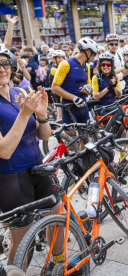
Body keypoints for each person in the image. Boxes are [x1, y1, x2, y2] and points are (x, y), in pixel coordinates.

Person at [0, 47, 63, 265]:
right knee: (22, 242)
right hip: (12, 177)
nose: (2, 69)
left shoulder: (19, 93)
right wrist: (25, 113)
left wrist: (42, 115)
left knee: (57, 220)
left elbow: (44, 134)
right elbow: (4, 151)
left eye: (5, 63)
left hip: (38, 168)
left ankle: (58, 265)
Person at [52, 38, 97, 124]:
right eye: (93, 55)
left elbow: (90, 90)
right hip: (69, 107)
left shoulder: (86, 66)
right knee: (71, 135)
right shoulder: (65, 64)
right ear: (88, 52)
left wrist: (88, 90)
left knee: (85, 135)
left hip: (83, 105)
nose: (93, 58)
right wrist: (74, 98)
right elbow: (54, 88)